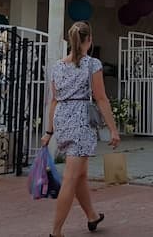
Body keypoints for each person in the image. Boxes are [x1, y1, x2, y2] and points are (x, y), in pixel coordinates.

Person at [42, 21, 120, 237]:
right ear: (89, 40)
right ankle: (56, 232)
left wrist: (49, 132)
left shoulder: (58, 66)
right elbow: (101, 98)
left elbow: (54, 100)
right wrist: (113, 129)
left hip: (62, 121)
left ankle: (92, 216)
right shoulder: (92, 64)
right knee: (70, 178)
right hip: (80, 122)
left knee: (80, 175)